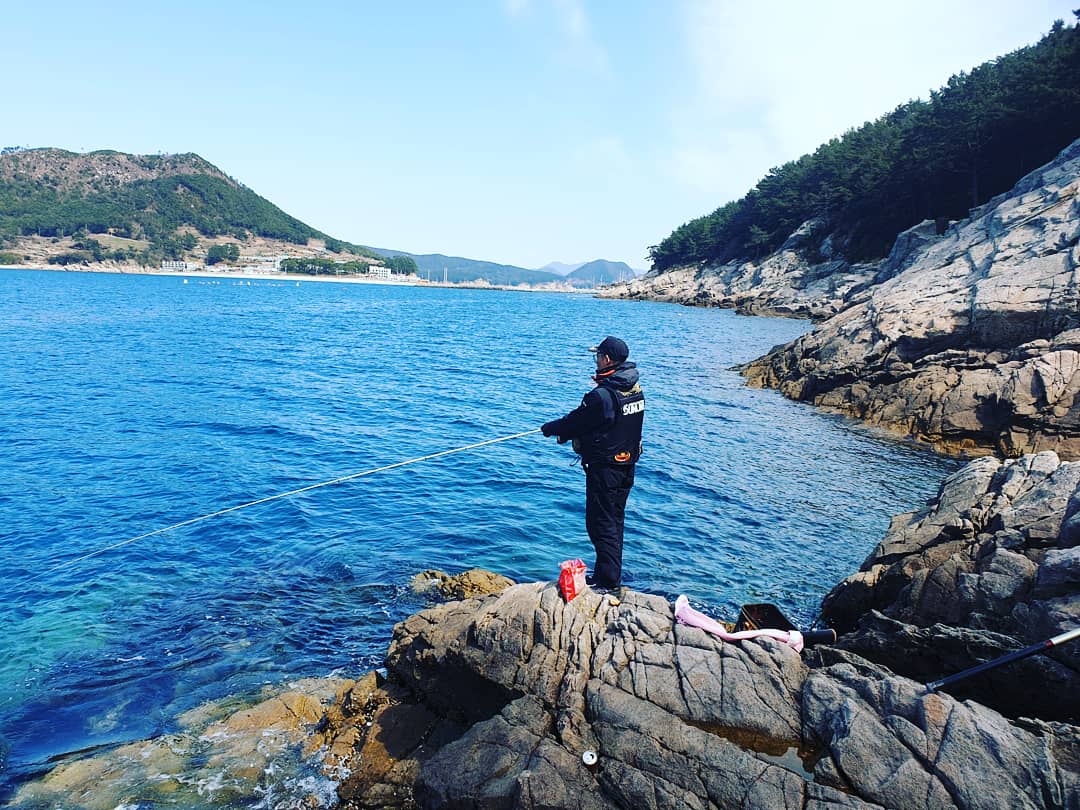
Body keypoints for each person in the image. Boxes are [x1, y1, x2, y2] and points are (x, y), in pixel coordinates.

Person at [541, 336, 644, 591]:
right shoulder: (634, 388)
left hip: (606, 469)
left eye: (597, 356)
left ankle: (607, 581)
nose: (596, 360)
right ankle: (608, 575)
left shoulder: (601, 395)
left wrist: (550, 429)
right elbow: (605, 423)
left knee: (600, 524)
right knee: (614, 521)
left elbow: (576, 421)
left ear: (606, 359)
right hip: (627, 466)